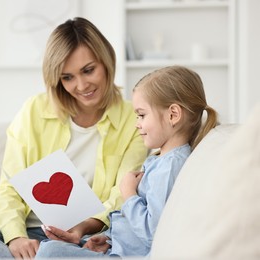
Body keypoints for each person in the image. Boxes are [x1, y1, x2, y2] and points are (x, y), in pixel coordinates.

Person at [0, 17, 147, 259]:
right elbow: (9, 186)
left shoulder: (133, 118)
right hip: (21, 233)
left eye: (88, 70)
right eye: (67, 77)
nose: (81, 85)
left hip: (79, 239)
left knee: (51, 253)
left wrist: (84, 227)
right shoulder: (34, 110)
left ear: (106, 62)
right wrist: (15, 237)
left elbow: (122, 193)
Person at [35, 65, 219, 258]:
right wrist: (109, 239)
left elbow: (153, 234)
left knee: (49, 252)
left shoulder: (169, 167)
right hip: (119, 249)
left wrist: (129, 193)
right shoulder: (163, 161)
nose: (137, 123)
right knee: (50, 248)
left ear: (173, 114)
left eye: (142, 115)